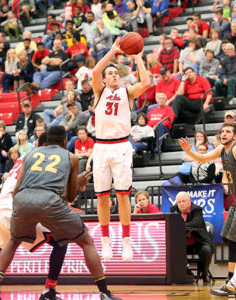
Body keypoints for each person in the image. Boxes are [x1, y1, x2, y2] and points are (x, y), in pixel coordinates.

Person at [0, 126, 121, 300]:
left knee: (12, 241)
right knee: (78, 241)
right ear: (64, 141)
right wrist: (76, 183)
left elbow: (17, 189)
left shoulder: (29, 155)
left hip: (11, 202)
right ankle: (101, 292)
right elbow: (68, 196)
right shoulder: (70, 157)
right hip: (43, 201)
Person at [92, 37, 150, 261]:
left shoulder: (127, 92)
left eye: (116, 73)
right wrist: (113, 51)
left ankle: (126, 240)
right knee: (102, 197)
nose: (114, 75)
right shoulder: (99, 92)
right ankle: (105, 241)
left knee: (124, 195)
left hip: (121, 147)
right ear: (105, 80)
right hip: (101, 147)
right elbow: (96, 71)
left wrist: (138, 59)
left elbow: (145, 82)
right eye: (111, 74)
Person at [178, 122, 236, 296]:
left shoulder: (234, 149)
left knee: (234, 241)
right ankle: (230, 281)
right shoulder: (221, 150)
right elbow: (203, 159)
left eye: (228, 132)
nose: (224, 134)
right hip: (235, 203)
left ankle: (231, 282)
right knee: (229, 239)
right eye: (223, 131)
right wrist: (188, 150)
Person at [170, 191, 214, 283]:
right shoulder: (173, 209)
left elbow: (196, 224)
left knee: (207, 250)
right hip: (182, 244)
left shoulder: (197, 209)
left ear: (189, 201)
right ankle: (188, 273)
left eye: (183, 201)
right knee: (172, 250)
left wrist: (180, 225)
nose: (181, 204)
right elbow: (172, 224)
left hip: (198, 242)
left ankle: (205, 273)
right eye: (179, 202)